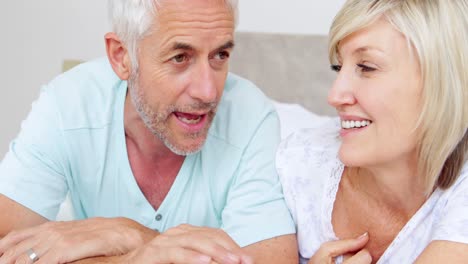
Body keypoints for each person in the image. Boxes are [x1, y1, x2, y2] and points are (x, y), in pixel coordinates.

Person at [0, 0, 298, 263]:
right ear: (121, 57)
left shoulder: (251, 116)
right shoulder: (67, 105)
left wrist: (130, 235)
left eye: (219, 56)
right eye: (180, 58)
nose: (208, 91)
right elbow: (6, 248)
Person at [277, 0, 468, 263]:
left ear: (443, 83)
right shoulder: (295, 165)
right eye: (338, 67)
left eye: (367, 67)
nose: (335, 96)